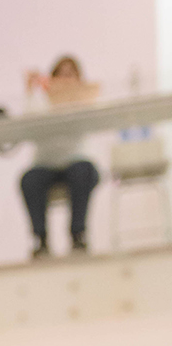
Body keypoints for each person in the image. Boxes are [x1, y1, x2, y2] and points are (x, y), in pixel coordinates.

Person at [19, 55, 100, 259]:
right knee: (29, 179)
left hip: (75, 163)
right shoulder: (40, 104)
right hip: (45, 165)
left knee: (84, 170)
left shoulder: (85, 102)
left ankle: (78, 234)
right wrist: (30, 91)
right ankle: (41, 239)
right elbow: (27, 125)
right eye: (61, 74)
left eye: (70, 74)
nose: (65, 79)